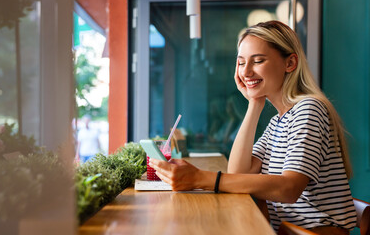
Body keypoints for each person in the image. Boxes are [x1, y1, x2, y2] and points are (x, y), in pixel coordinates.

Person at [149, 21, 356, 234]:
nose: (246, 72)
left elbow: (289, 188)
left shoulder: (309, 109)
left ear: (290, 63)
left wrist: (200, 179)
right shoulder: (278, 121)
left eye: (257, 61)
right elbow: (238, 172)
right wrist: (254, 104)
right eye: (241, 63)